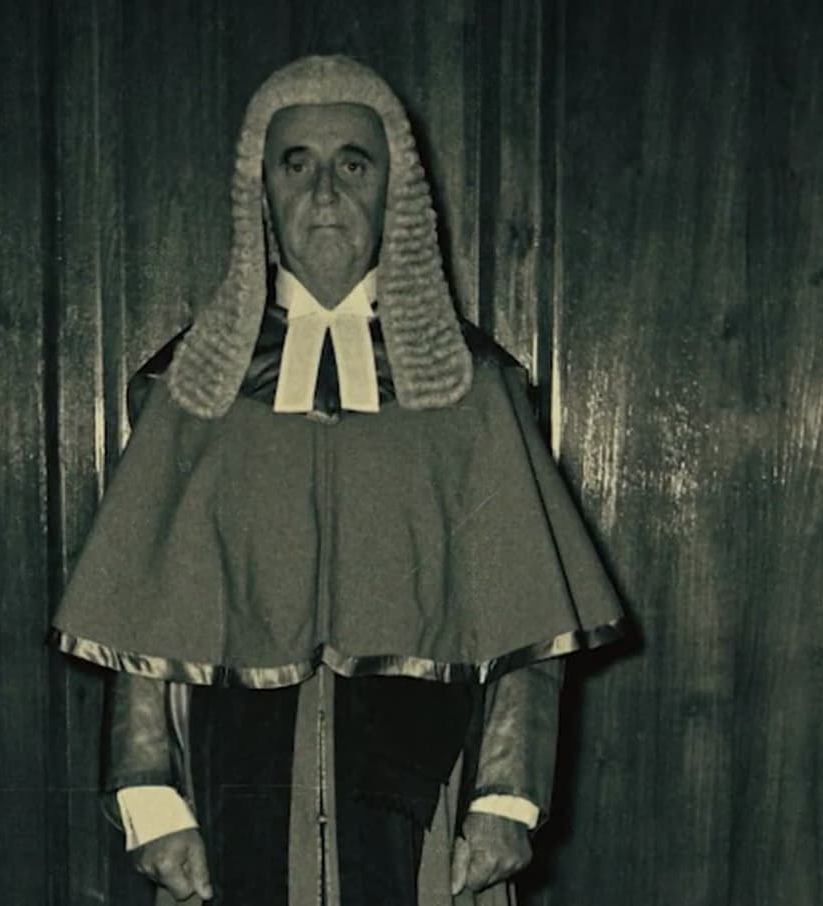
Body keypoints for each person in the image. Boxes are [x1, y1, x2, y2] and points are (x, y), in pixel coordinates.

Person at [47, 54, 628, 905]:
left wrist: (507, 800)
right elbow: (141, 622)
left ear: (397, 193)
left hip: (432, 806)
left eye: (353, 166)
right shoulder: (194, 390)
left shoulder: (475, 389)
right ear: (260, 194)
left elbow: (528, 628)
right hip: (222, 805)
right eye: (297, 165)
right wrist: (148, 796)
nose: (324, 193)